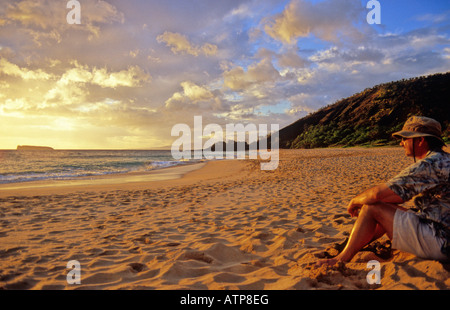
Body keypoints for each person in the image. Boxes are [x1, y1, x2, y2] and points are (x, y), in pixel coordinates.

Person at [318, 116, 450, 266]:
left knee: (372, 206)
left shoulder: (430, 164)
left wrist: (354, 201)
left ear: (420, 140)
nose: (401, 143)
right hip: (444, 233)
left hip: (442, 242)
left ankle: (341, 258)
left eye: (405, 138)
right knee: (391, 207)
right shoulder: (445, 159)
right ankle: (355, 244)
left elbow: (377, 195)